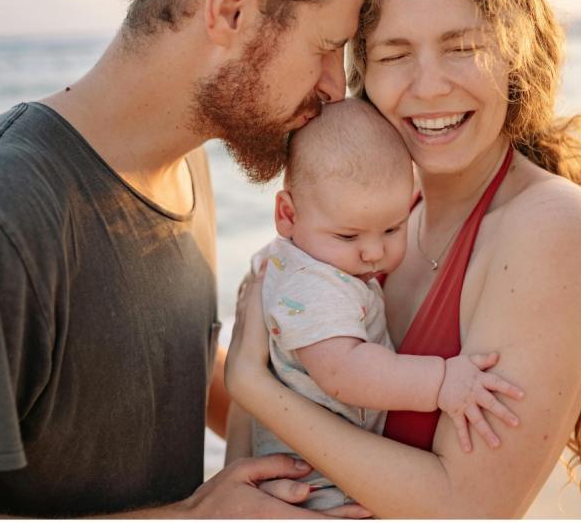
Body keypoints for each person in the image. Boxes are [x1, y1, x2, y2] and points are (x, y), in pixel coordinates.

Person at [0, 0, 373, 518]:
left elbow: (159, 360)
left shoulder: (185, 168)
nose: (335, 83)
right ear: (232, 7)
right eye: (328, 45)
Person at [225, 0, 581, 518]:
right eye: (394, 54)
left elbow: (468, 507)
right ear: (363, 71)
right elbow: (246, 470)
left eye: (461, 48)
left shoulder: (551, 225)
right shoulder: (376, 224)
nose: (430, 85)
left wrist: (248, 384)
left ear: (517, 57)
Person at [225, 99, 525, 510]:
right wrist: (440, 382)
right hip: (316, 489)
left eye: (391, 228)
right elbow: (343, 372)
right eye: (348, 236)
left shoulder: (298, 256)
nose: (372, 253)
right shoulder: (312, 285)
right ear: (287, 214)